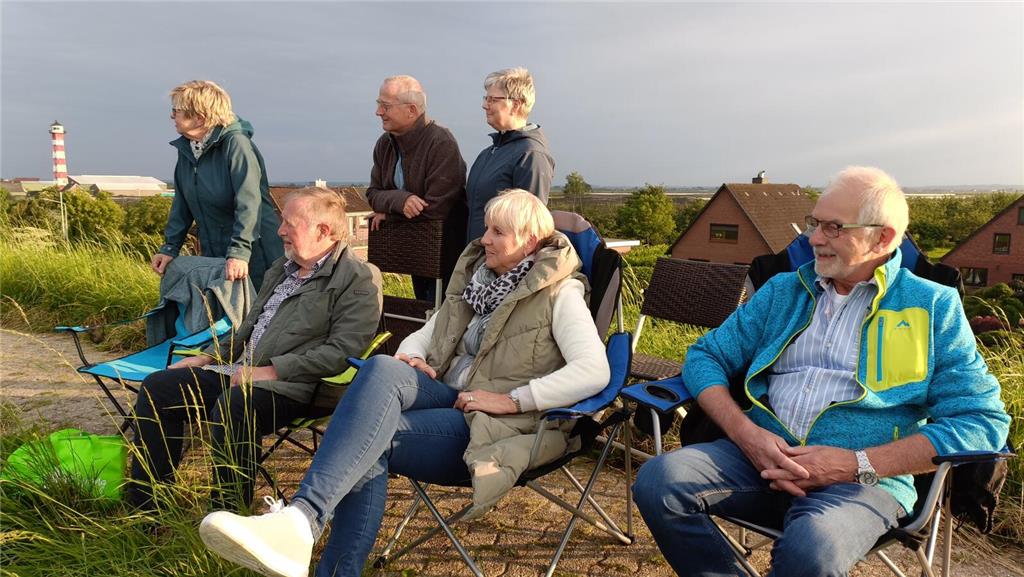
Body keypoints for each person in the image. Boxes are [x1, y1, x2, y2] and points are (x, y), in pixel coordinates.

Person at [198, 190, 610, 577]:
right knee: (383, 368)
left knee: (369, 441)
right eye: (485, 228)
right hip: (450, 395)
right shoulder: (478, 281)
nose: (484, 240)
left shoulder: (561, 292)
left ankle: (305, 530)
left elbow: (595, 371)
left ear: (532, 242)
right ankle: (301, 522)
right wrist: (412, 355)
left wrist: (515, 400)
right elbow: (430, 332)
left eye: (497, 232)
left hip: (503, 423)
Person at [632, 166, 1010, 577]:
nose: (813, 239)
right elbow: (705, 357)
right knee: (658, 482)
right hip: (759, 460)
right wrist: (748, 436)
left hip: (863, 484)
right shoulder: (784, 290)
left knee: (811, 550)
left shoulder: (931, 307)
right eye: (815, 223)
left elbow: (981, 422)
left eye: (833, 228)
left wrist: (855, 463)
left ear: (881, 237)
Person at [128, 187, 382, 510]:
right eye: (281, 222)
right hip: (242, 372)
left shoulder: (357, 278)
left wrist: (269, 371)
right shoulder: (282, 268)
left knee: (235, 405)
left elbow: (342, 351)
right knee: (157, 388)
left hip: (298, 386)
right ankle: (146, 508)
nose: (280, 231)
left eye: (290, 223)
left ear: (324, 231)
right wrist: (208, 356)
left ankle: (226, 518)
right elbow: (248, 329)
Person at [151, 80, 284, 291]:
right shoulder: (187, 150)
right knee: (223, 318)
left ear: (199, 117)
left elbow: (249, 204)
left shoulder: (237, 145)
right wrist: (170, 247)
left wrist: (239, 252)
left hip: (255, 253)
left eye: (176, 110)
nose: (171, 115)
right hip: (215, 252)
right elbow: (182, 204)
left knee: (257, 319)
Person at [365, 75, 467, 302]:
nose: (378, 112)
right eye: (378, 104)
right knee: (415, 315)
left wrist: (389, 214)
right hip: (413, 253)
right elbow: (373, 195)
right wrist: (400, 201)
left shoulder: (441, 142)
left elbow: (437, 208)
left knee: (436, 318)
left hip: (444, 258)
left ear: (411, 110)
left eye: (385, 106)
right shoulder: (384, 144)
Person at [465, 67, 555, 242]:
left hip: (502, 265)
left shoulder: (531, 155)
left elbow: (528, 228)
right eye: (486, 98)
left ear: (516, 104)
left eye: (492, 100)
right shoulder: (490, 152)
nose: (485, 105)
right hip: (480, 260)